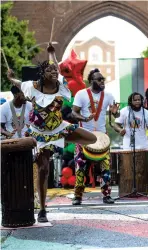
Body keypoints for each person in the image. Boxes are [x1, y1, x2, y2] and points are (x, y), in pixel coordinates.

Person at [7, 43, 96, 222]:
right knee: (44, 169)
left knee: (92, 138)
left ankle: (60, 142)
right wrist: (11, 79)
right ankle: (42, 210)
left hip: (58, 127)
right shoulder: (32, 87)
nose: (54, 72)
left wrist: (52, 54)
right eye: (50, 71)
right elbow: (19, 83)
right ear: (43, 75)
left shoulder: (61, 86)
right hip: (39, 132)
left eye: (55, 71)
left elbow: (60, 70)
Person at [71, 68, 120, 205]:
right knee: (80, 167)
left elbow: (116, 115)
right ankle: (78, 196)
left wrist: (116, 113)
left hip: (102, 137)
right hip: (84, 136)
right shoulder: (81, 94)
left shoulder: (109, 96)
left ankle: (106, 195)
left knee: (105, 167)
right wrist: (85, 119)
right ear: (91, 81)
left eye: (103, 79)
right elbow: (74, 113)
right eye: (99, 79)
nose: (102, 81)